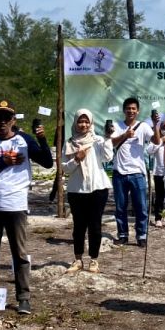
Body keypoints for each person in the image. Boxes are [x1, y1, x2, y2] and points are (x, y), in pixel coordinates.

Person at [0, 100, 53, 316]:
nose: (2, 122)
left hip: (15, 204)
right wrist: (3, 162)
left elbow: (47, 162)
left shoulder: (24, 140)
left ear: (14, 120)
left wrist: (43, 139)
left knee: (19, 253)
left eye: (7, 118)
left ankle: (23, 298)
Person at [61, 109, 113, 273]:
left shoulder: (97, 140)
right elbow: (65, 168)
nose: (83, 125)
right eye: (80, 121)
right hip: (77, 190)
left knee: (95, 225)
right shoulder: (69, 143)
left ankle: (94, 260)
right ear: (75, 123)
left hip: (97, 188)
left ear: (91, 123)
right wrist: (77, 158)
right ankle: (78, 259)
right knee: (78, 226)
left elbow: (107, 157)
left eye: (86, 121)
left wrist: (107, 138)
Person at [109, 97, 161, 247]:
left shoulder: (144, 126)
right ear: (124, 110)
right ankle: (123, 235)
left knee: (141, 207)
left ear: (137, 111)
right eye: (128, 108)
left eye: (133, 109)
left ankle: (142, 236)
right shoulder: (116, 125)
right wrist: (124, 135)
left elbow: (156, 142)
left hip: (138, 173)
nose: (131, 111)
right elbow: (111, 143)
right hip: (119, 173)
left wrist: (156, 124)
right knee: (120, 207)